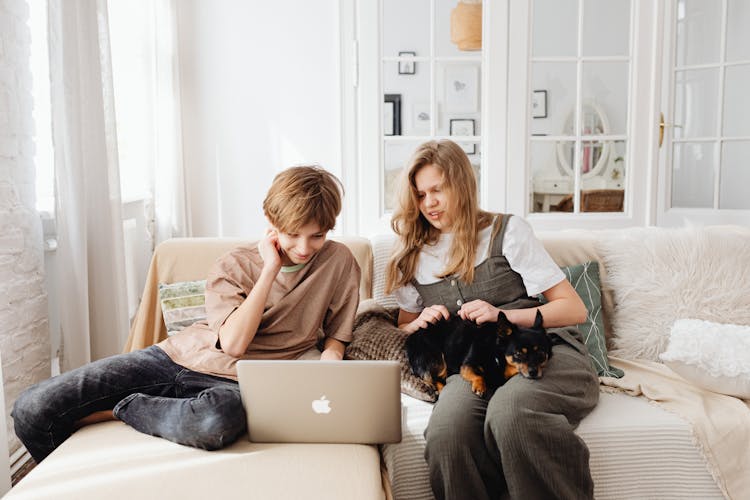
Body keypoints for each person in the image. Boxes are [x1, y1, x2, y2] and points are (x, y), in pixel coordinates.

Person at [13, 165, 361, 463]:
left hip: (240, 381)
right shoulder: (233, 265)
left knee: (216, 422)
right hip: (174, 357)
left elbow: (338, 333)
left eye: (317, 236)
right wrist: (269, 269)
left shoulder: (338, 261)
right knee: (32, 408)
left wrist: (330, 361)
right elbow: (234, 342)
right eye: (292, 235)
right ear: (271, 222)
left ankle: (127, 407)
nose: (304, 248)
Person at [385, 140, 599, 500]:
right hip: (476, 367)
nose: (429, 204)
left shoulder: (507, 231)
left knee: (511, 413)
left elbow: (573, 309)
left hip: (543, 351)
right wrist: (421, 319)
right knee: (447, 433)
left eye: (438, 190)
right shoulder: (413, 253)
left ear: (462, 184)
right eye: (420, 195)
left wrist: (503, 315)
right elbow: (403, 327)